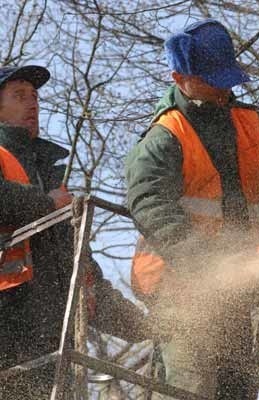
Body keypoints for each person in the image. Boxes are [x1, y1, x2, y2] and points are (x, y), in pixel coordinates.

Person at [125, 19, 259, 400]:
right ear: (179, 77)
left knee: (238, 385)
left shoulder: (255, 125)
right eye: (211, 80)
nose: (222, 89)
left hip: (237, 282)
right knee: (191, 384)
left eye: (225, 80)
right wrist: (211, 262)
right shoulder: (164, 137)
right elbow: (151, 206)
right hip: (179, 285)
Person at [0, 65, 143, 399]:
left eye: (35, 96)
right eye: (19, 96)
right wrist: (45, 206)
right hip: (7, 336)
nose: (32, 104)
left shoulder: (51, 179)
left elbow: (83, 275)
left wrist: (145, 328)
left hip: (51, 340)